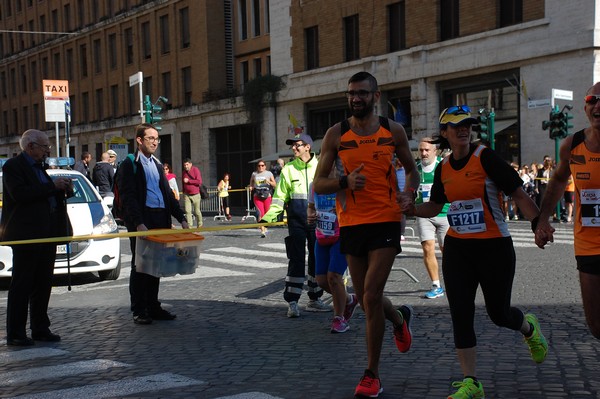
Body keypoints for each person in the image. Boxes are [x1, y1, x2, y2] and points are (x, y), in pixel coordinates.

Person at [402, 105, 548, 399]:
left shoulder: (486, 158)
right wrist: (412, 209)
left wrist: (538, 224)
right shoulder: (443, 167)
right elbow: (436, 205)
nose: (464, 129)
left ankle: (528, 328)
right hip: (458, 249)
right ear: (445, 133)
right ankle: (472, 382)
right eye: (456, 126)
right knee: (461, 313)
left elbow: (518, 193)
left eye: (468, 124)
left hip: (494, 247)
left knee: (499, 313)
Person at [313, 72, 418, 398]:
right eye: (351, 94)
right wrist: (345, 183)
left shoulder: (393, 130)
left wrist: (409, 194)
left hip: (386, 220)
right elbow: (319, 183)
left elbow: (411, 169)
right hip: (352, 224)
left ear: (376, 96)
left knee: (370, 295)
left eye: (362, 93)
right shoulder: (337, 134)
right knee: (365, 297)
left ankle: (371, 374)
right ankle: (398, 318)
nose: (355, 98)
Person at [535, 83, 600, 340]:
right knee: (596, 325)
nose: (598, 105)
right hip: (588, 244)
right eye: (592, 100)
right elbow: (559, 180)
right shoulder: (573, 145)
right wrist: (543, 220)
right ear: (585, 108)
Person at [1, 129, 73, 346]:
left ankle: (40, 328)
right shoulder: (14, 167)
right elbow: (20, 194)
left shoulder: (41, 168)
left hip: (47, 232)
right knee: (22, 284)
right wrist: (52, 186)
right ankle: (16, 332)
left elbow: (46, 194)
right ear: (30, 146)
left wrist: (64, 190)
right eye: (44, 147)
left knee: (43, 283)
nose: (47, 150)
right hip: (27, 234)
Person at [116, 123, 189, 325]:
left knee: (156, 265)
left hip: (159, 217)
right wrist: (138, 223)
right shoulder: (130, 164)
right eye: (151, 138)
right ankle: (139, 309)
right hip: (143, 219)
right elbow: (128, 196)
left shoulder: (157, 164)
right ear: (139, 140)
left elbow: (167, 195)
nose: (155, 142)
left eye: (157, 138)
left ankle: (153, 306)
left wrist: (181, 217)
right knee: (140, 265)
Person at [261, 134, 331, 317]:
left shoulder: (321, 165)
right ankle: (292, 301)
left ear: (308, 146)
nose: (293, 148)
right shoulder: (288, 169)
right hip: (296, 221)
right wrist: (268, 217)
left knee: (317, 259)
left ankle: (315, 298)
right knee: (296, 259)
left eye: (297, 145)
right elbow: (280, 196)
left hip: (318, 221)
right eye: (292, 146)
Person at [307, 180, 358, 334]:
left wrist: (341, 211)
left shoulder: (344, 183)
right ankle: (349, 299)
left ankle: (339, 318)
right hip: (322, 236)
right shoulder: (315, 185)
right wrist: (311, 216)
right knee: (321, 280)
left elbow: (354, 208)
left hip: (342, 235)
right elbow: (310, 208)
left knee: (334, 277)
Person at [415, 137, 449, 299]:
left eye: (427, 150)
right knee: (428, 247)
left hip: (444, 213)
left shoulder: (444, 166)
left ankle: (453, 281)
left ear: (435, 151)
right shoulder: (415, 169)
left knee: (447, 251)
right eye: (421, 150)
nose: (424, 153)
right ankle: (436, 285)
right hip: (423, 214)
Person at [249, 160, 276, 237]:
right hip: (257, 196)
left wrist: (269, 182)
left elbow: (275, 184)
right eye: (259, 166)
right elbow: (251, 182)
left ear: (265, 166)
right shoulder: (254, 174)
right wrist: (251, 186)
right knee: (260, 213)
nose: (261, 167)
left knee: (267, 213)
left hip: (267, 196)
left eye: (262, 165)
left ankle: (265, 226)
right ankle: (262, 230)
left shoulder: (269, 173)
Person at [182, 158, 203, 228]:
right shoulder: (184, 172)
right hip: (187, 195)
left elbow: (199, 181)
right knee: (187, 211)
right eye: (184, 165)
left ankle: (200, 224)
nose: (186, 166)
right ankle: (189, 227)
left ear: (191, 164)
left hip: (196, 194)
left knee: (197, 211)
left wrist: (189, 181)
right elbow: (183, 183)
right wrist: (183, 192)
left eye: (187, 165)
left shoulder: (195, 170)